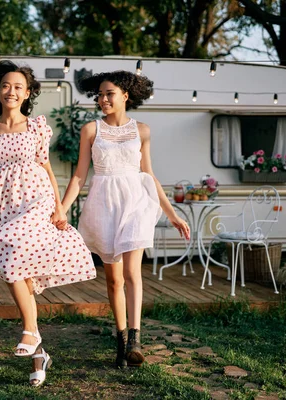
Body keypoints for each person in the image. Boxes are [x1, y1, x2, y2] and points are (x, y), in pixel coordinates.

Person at [0, 60, 96, 386]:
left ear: (27, 94)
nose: (12, 91)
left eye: (18, 87)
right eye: (6, 86)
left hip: (35, 199)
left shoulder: (37, 127)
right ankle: (39, 353)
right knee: (19, 271)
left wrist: (59, 207)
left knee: (14, 261)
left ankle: (28, 331)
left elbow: (47, 167)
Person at [60, 71, 190, 368]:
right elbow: (80, 175)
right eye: (100, 95)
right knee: (113, 278)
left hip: (136, 202)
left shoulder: (141, 130)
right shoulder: (90, 130)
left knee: (132, 272)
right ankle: (119, 341)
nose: (103, 99)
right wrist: (63, 208)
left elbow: (149, 175)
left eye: (109, 94)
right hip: (103, 204)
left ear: (125, 96)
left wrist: (171, 213)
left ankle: (135, 338)